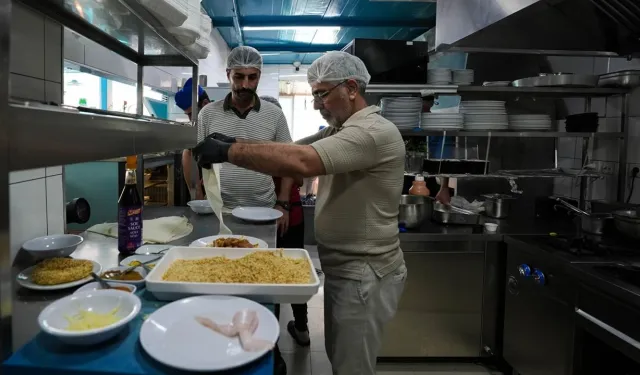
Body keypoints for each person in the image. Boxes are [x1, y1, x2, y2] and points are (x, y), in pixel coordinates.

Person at [192, 51, 408, 375]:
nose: (317, 105)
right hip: (346, 268)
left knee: (353, 368)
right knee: (341, 358)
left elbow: (302, 162)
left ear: (351, 87)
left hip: (365, 272)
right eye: (314, 96)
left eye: (322, 94)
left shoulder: (371, 132)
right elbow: (290, 150)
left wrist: (228, 151)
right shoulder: (342, 129)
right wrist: (233, 140)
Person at [194, 46, 297, 375]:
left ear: (259, 78)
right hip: (222, 213)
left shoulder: (274, 115)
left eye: (252, 77)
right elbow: (198, 156)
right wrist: (200, 194)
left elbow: (288, 161)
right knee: (224, 280)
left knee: (263, 284)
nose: (245, 84)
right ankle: (227, 338)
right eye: (239, 77)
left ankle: (270, 345)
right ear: (228, 76)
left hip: (264, 212)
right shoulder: (208, 114)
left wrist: (282, 204)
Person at [259, 95, 312, 346]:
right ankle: (301, 328)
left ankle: (272, 337)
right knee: (292, 270)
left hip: (280, 214)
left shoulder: (257, 150)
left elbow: (299, 179)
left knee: (272, 273)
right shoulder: (279, 149)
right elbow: (300, 180)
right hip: (290, 213)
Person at [175, 78, 211, 200]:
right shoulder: (196, 129)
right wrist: (197, 193)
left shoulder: (223, 119)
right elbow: (188, 152)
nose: (191, 119)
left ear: (205, 104)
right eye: (188, 115)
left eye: (192, 114)